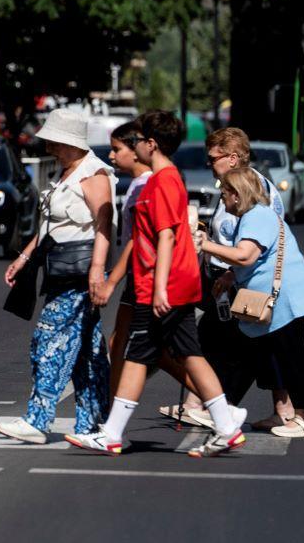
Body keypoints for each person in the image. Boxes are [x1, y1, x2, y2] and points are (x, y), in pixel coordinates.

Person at [67, 110, 247, 458]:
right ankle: (224, 422)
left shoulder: (163, 182)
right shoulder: (165, 179)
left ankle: (116, 433)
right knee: (171, 355)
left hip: (163, 286)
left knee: (159, 354)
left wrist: (160, 287)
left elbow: (165, 236)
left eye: (138, 141)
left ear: (151, 143)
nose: (135, 147)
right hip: (168, 284)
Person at [0, 108, 115, 445]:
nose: (48, 145)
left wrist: (97, 271)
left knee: (47, 343)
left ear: (69, 141)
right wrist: (24, 257)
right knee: (86, 353)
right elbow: (51, 225)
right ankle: (93, 422)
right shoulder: (69, 171)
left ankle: (38, 420)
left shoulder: (92, 173)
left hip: (79, 273)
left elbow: (103, 225)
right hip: (61, 270)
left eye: (53, 139)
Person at [199, 167, 304, 438]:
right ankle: (239, 409)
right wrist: (231, 276)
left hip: (284, 300)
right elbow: (256, 257)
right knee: (264, 356)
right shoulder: (253, 217)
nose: (222, 198)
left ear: (236, 194)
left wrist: (205, 245)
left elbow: (246, 256)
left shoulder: (256, 217)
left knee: (290, 357)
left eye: (225, 193)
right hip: (275, 300)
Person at [185, 126, 289, 430]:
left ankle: (220, 406)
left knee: (237, 344)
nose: (209, 164)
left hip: (243, 276)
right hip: (234, 274)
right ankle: (279, 409)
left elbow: (252, 243)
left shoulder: (249, 188)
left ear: (232, 158)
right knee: (229, 340)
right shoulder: (237, 183)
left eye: (213, 158)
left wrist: (224, 264)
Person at [94, 119, 152, 391]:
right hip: (138, 277)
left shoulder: (145, 185)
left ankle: (217, 407)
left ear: (135, 149)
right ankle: (109, 412)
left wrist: (111, 281)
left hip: (147, 278)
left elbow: (137, 240)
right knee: (119, 344)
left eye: (117, 149)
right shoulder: (137, 183)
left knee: (159, 352)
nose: (111, 155)